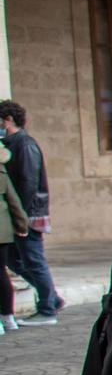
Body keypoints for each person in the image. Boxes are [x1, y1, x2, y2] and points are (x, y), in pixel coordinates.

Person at [0, 101, 60, 323]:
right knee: (14, 260)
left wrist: (21, 218)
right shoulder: (11, 144)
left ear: (7, 120)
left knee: (33, 259)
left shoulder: (24, 144)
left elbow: (28, 182)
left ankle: (47, 309)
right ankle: (52, 298)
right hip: (20, 214)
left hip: (28, 214)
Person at [0, 141, 28, 332]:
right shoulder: (1, 169)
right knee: (1, 274)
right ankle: (8, 318)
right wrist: (21, 224)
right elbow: (13, 200)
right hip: (2, 231)